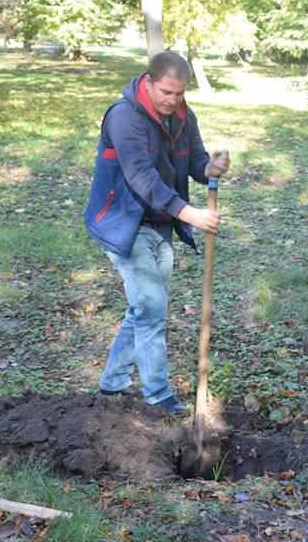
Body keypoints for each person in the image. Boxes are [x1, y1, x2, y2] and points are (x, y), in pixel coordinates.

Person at [83, 51, 231, 414]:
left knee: (144, 308)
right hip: (123, 221)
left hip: (159, 222)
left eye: (180, 93)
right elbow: (141, 177)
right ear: (148, 82)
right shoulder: (123, 117)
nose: (173, 100)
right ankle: (158, 396)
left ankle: (112, 385)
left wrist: (208, 167)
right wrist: (190, 214)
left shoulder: (183, 115)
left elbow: (194, 158)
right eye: (166, 92)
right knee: (151, 309)